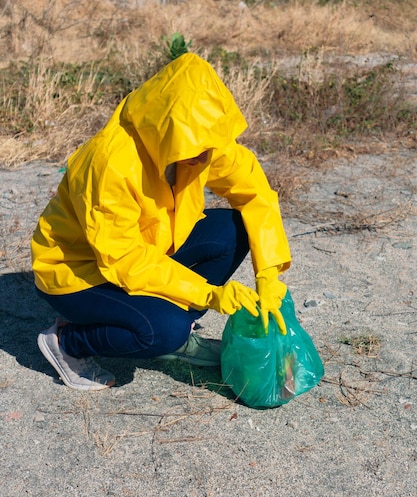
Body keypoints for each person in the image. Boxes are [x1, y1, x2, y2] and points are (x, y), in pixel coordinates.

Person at [31, 52, 291, 391]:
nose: (203, 158)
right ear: (168, 130)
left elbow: (255, 193)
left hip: (152, 251)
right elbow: (125, 260)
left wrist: (268, 274)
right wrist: (207, 293)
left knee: (235, 230)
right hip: (78, 273)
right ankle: (68, 343)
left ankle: (171, 321)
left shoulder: (201, 142)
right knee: (162, 332)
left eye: (208, 147)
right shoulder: (110, 162)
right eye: (196, 148)